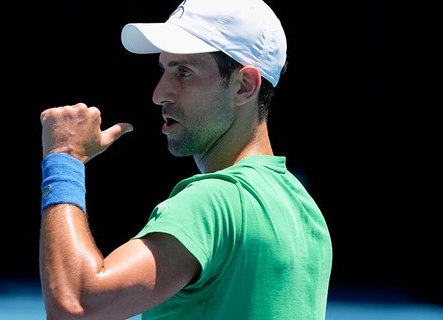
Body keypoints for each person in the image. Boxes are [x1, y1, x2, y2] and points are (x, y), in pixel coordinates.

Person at [38, 0, 333, 318]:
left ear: (245, 86)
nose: (159, 93)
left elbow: (77, 304)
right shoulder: (306, 213)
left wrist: (64, 159)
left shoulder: (211, 201)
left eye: (184, 72)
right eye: (164, 70)